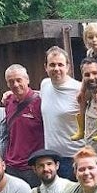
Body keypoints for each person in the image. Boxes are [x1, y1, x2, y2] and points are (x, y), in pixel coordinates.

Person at [39, 47, 84, 180]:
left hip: (75, 157)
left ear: (68, 67)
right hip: (51, 158)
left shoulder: (79, 89)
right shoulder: (45, 84)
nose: (56, 69)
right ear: (45, 67)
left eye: (60, 64)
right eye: (52, 65)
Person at [2, 63, 44, 185]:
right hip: (11, 166)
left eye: (19, 80)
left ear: (27, 80)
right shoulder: (9, 101)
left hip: (32, 166)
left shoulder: (40, 101)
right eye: (11, 81)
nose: (15, 84)